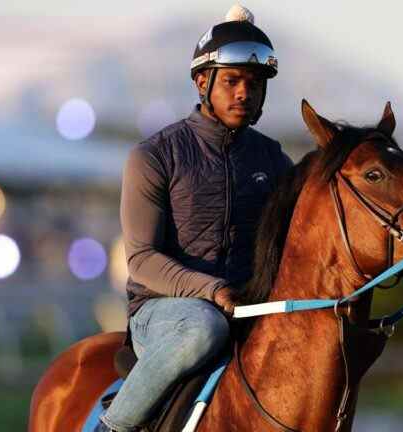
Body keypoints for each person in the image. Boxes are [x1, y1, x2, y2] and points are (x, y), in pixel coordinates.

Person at [97, 5, 292, 431]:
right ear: (202, 82)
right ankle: (113, 427)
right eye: (232, 81)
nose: (244, 93)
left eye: (255, 85)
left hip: (247, 306)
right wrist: (213, 289)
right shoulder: (153, 156)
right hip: (165, 311)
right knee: (203, 327)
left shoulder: (274, 160)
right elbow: (142, 261)